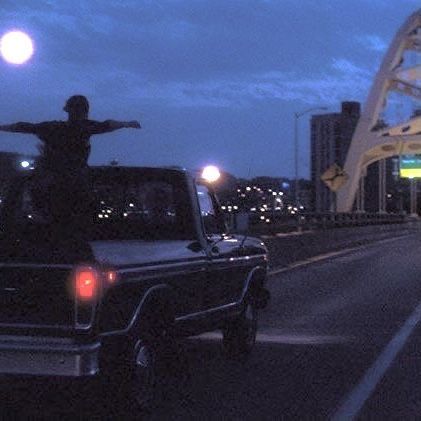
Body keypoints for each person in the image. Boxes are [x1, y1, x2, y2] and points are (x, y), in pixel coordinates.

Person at [0, 95, 141, 225]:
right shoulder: (84, 128)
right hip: (73, 181)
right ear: (84, 111)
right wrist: (126, 124)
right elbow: (108, 124)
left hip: (55, 182)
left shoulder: (54, 128)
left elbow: (23, 127)